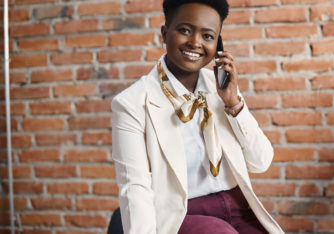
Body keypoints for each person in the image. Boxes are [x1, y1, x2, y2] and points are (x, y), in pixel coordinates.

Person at [111, 0, 283, 233]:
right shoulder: (132, 103)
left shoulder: (221, 87)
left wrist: (234, 105)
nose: (195, 43)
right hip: (182, 213)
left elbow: (260, 162)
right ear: (165, 33)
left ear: (218, 44)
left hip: (239, 207)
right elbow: (134, 187)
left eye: (208, 36)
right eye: (184, 30)